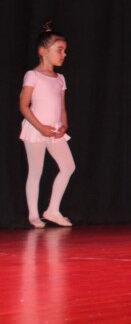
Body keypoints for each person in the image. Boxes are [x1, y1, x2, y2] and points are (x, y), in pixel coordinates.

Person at [19, 20, 76, 228]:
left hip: (54, 130)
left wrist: (64, 126)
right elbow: (24, 105)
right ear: (43, 51)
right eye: (59, 50)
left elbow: (62, 107)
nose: (64, 54)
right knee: (36, 171)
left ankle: (52, 209)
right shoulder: (32, 75)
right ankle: (34, 214)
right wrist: (40, 127)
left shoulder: (60, 78)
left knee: (68, 166)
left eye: (64, 51)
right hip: (36, 129)